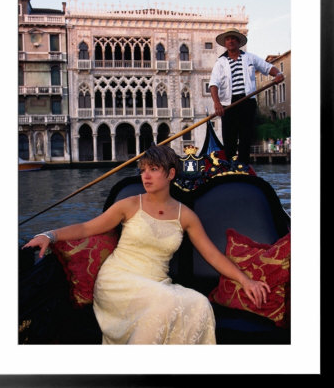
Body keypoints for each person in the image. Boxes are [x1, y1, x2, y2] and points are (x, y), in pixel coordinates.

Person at [23, 145, 270, 345]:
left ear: (171, 173)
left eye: (153, 169)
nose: (146, 176)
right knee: (165, 303)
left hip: (155, 283)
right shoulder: (129, 205)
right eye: (143, 170)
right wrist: (50, 235)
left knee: (199, 304)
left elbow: (212, 255)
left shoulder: (186, 216)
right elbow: (87, 228)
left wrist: (245, 280)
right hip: (118, 281)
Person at [209, 28, 284, 164]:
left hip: (247, 102)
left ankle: (243, 166)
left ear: (238, 42)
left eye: (233, 38)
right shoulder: (220, 63)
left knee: (246, 137)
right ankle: (230, 168)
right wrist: (217, 103)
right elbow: (213, 84)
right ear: (225, 43)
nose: (230, 41)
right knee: (229, 138)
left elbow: (268, 67)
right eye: (228, 39)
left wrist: (278, 74)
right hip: (228, 104)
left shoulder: (250, 58)